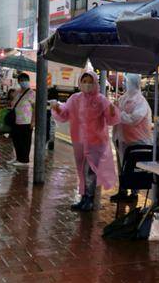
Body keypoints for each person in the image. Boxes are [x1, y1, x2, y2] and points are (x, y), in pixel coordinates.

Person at [51, 71, 120, 211]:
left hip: (96, 141)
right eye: (84, 81)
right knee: (81, 170)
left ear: (95, 83)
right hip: (79, 141)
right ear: (80, 83)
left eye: (90, 81)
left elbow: (110, 118)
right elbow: (64, 113)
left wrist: (113, 110)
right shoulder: (75, 99)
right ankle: (83, 196)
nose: (87, 84)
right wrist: (57, 107)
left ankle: (89, 198)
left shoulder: (101, 99)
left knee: (90, 170)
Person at [111, 73, 153, 201]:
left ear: (134, 84)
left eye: (127, 82)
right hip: (122, 139)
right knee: (122, 166)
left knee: (134, 167)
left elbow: (134, 119)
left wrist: (118, 113)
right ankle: (123, 190)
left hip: (137, 141)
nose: (125, 84)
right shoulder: (123, 98)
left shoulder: (141, 101)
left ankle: (134, 193)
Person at [8, 73, 35, 167]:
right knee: (16, 140)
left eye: (25, 80)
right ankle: (18, 158)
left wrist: (33, 121)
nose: (23, 82)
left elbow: (35, 108)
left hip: (26, 121)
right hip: (16, 120)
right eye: (21, 80)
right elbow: (12, 103)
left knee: (25, 141)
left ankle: (24, 160)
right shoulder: (18, 92)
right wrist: (12, 94)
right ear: (18, 82)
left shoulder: (31, 93)